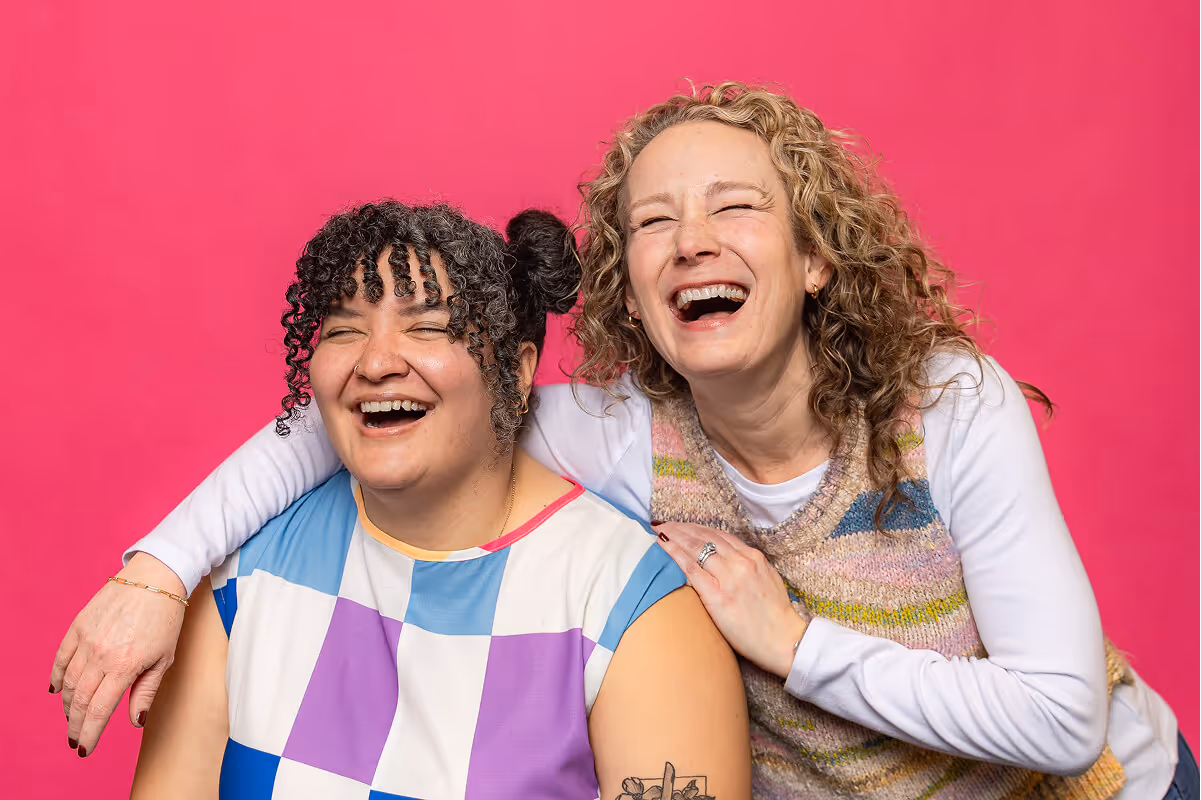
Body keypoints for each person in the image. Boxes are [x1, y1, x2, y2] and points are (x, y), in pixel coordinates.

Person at [53, 85, 1196, 799]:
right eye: (654, 221)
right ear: (629, 287)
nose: (691, 240)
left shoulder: (943, 401)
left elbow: (1058, 717)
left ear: (812, 259)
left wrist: (790, 641)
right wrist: (156, 572)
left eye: (734, 208)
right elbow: (375, 416)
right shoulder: (623, 430)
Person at [119, 201, 751, 798]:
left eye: (427, 328)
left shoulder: (632, 607)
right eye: (344, 330)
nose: (375, 362)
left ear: (518, 369)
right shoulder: (239, 578)